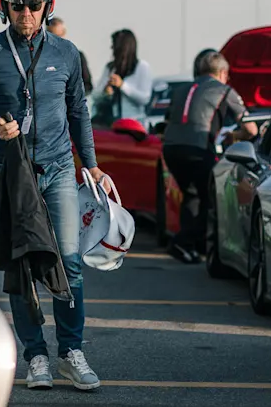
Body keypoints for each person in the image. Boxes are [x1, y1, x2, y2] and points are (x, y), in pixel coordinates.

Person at [0, 0, 106, 391]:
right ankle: (35, 356)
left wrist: (92, 163)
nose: (27, 14)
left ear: (49, 5)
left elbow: (78, 111)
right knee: (21, 263)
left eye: (35, 5)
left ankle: (70, 351)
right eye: (18, 5)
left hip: (59, 167)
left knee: (69, 259)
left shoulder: (66, 53)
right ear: (3, 6)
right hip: (8, 170)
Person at [162, 52, 255, 264]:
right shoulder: (224, 90)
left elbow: (168, 122)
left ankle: (188, 245)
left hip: (171, 148)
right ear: (223, 73)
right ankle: (185, 241)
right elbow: (250, 129)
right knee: (209, 197)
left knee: (193, 194)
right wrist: (235, 136)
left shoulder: (181, 89)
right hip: (198, 148)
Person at [93, 29, 154, 122]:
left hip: (134, 122)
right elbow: (95, 96)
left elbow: (144, 98)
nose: (111, 48)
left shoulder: (141, 67)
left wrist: (122, 86)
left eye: (114, 45)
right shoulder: (110, 68)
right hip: (111, 121)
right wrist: (106, 92)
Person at [47, 16, 94, 93]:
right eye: (52, 36)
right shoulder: (39, 57)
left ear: (64, 33)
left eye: (59, 36)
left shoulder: (77, 56)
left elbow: (88, 85)